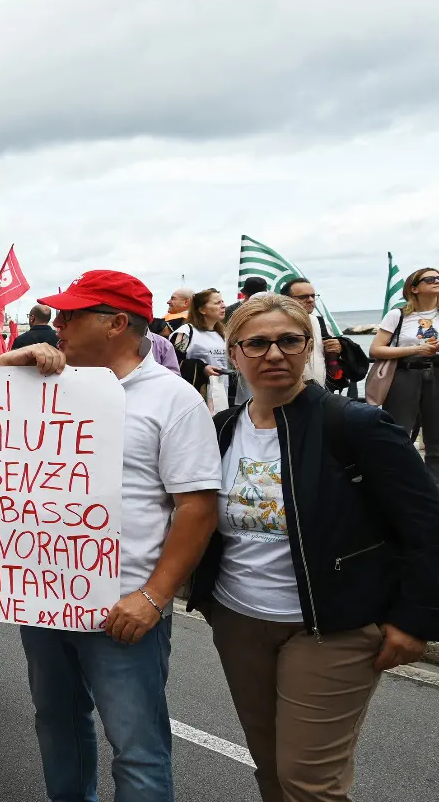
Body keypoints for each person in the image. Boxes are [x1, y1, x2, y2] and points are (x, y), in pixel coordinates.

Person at [189, 295, 439, 802]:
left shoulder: (355, 425)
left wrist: (416, 620)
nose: (274, 353)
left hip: (333, 626)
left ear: (309, 349)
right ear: (233, 353)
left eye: (289, 340)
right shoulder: (219, 430)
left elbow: (427, 524)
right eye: (257, 342)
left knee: (309, 781)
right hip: (238, 621)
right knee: (270, 770)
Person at [0, 269, 220, 802]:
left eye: (72, 315)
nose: (58, 324)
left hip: (123, 608)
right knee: (57, 725)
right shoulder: (46, 385)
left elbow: (197, 509)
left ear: (117, 323)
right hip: (45, 598)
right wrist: (8, 364)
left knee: (136, 748)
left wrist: (152, 598)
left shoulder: (173, 399)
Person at [372, 267, 439, 478]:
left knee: (436, 435)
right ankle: (398, 480)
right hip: (405, 374)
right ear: (414, 288)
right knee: (399, 431)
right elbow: (376, 349)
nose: (437, 281)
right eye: (430, 279)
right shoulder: (398, 315)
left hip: (437, 373)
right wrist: (416, 349)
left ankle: (433, 486)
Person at [277, 277, 345, 389]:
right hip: (285, 391)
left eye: (313, 296)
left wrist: (337, 348)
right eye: (303, 297)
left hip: (319, 390)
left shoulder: (320, 322)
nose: (310, 300)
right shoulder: (275, 324)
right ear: (286, 299)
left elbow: (327, 353)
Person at [172, 288, 230, 413]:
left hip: (220, 395)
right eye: (217, 303)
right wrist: (202, 368)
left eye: (223, 301)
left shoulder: (223, 334)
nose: (223, 305)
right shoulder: (185, 332)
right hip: (194, 397)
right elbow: (172, 363)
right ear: (202, 310)